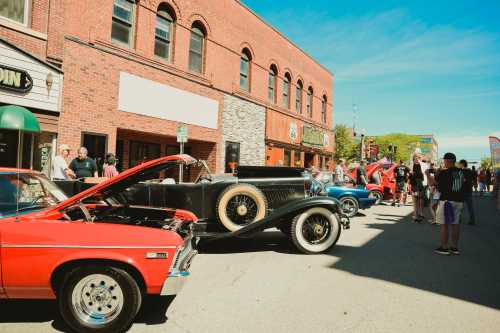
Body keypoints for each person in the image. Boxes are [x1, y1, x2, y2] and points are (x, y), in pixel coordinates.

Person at [434, 152, 465, 256]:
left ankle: (444, 247)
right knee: (455, 224)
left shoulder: (445, 173)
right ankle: (455, 247)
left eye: (444, 161)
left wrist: (431, 175)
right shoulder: (461, 172)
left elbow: (438, 187)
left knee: (444, 225)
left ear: (448, 161)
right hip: (459, 201)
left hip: (447, 201)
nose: (444, 163)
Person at [458, 159, 476, 225]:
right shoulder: (470, 171)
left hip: (461, 191)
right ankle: (472, 220)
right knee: (470, 206)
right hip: (469, 190)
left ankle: (458, 219)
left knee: (459, 206)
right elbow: (474, 180)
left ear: (462, 164)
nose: (458, 165)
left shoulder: (460, 171)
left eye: (459, 164)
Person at [410, 156, 425, 222]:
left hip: (414, 188)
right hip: (420, 188)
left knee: (414, 203)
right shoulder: (421, 173)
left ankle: (415, 216)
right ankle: (420, 214)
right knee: (419, 202)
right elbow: (422, 179)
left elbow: (410, 181)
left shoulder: (412, 174)